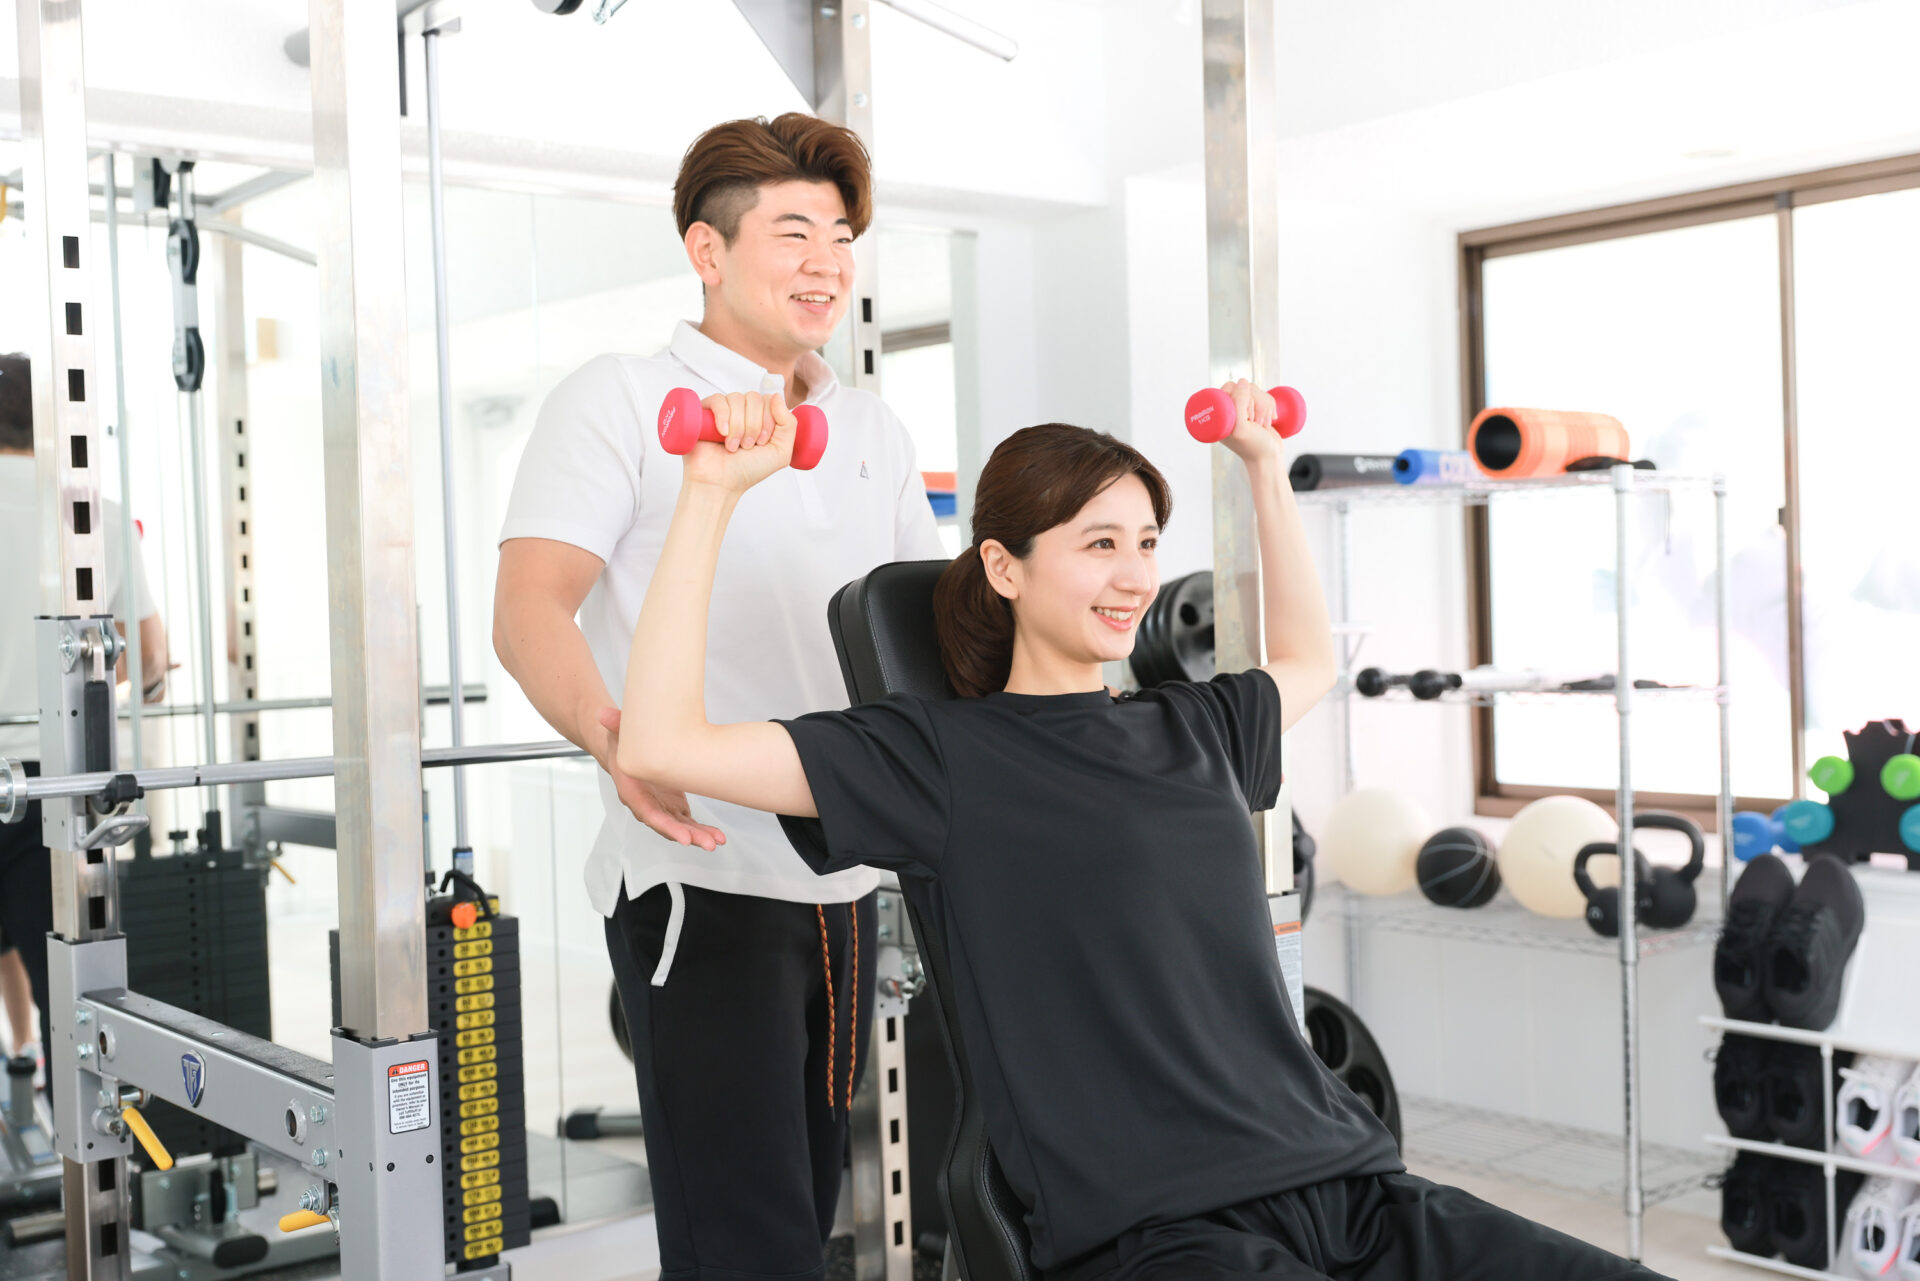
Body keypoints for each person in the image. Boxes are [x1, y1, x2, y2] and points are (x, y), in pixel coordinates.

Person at [607, 383, 1675, 1281]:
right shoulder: (934, 758)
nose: (1133, 576)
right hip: (1154, 1228)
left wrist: (1263, 463)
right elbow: (662, 741)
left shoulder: (1196, 722)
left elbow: (1307, 659)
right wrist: (708, 493)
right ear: (1005, 567)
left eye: (1147, 544)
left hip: (1345, 1180)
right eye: (1098, 544)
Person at [492, 114, 946, 1281]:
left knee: (807, 1212)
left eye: (840, 236)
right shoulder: (623, 398)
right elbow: (532, 608)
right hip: (703, 878)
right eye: (794, 231)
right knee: (740, 1240)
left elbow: (918, 631)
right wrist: (615, 742)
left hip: (844, 872)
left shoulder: (868, 424)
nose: (827, 262)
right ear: (707, 250)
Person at [0, 351, 170, 1089]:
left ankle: (18, 1050)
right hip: (61, 777)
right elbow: (149, 656)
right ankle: (75, 1107)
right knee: (64, 956)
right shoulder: (92, 512)